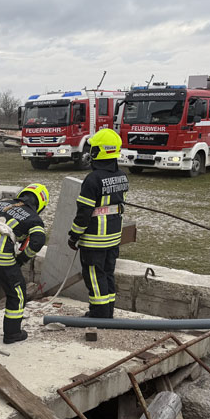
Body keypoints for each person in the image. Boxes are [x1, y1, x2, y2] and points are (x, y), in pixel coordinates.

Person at [0, 183, 48, 344]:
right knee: (17, 292)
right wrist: (22, 259)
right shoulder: (33, 218)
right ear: (40, 204)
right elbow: (38, 240)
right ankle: (12, 334)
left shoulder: (1, 203)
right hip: (0, 255)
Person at [68, 128, 129, 318]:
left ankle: (99, 313)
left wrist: (74, 235)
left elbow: (84, 212)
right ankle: (108, 310)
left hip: (95, 239)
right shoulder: (121, 176)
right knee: (108, 273)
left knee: (94, 276)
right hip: (113, 238)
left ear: (99, 152)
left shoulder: (92, 179)